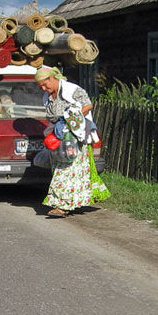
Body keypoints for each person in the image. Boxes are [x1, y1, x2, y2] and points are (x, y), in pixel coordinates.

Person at [34, 66, 108, 217]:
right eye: (40, 86)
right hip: (60, 137)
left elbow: (88, 105)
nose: (43, 88)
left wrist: (71, 119)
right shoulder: (47, 98)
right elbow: (51, 117)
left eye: (44, 84)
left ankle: (61, 206)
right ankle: (69, 202)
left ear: (53, 78)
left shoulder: (72, 89)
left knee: (67, 170)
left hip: (75, 137)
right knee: (61, 169)